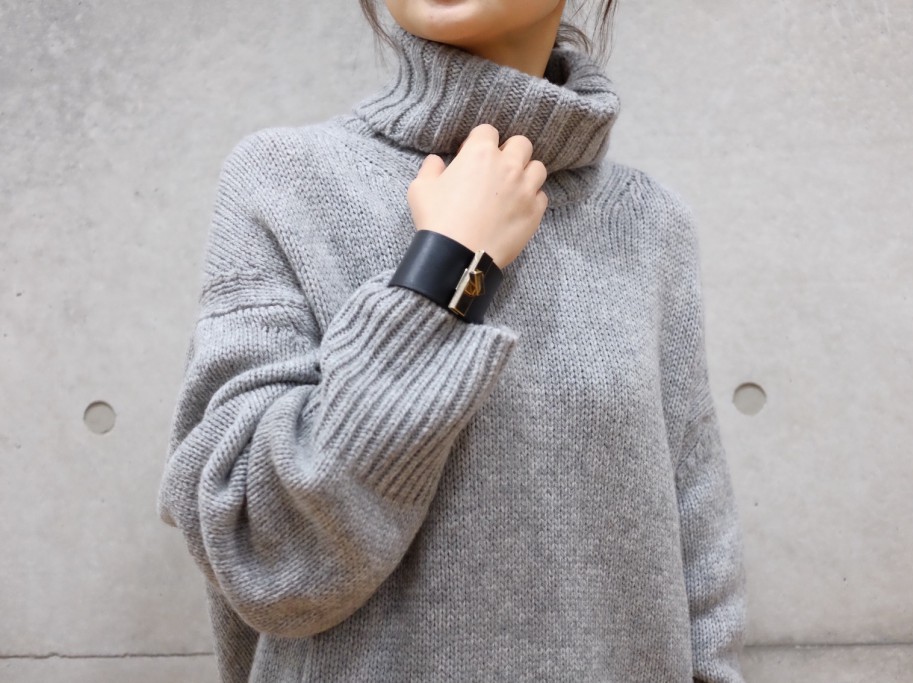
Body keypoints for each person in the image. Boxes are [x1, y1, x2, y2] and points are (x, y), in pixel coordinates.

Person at [156, 0, 747, 681]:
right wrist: (447, 267)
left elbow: (701, 562)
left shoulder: (650, 224)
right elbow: (264, 554)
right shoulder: (285, 182)